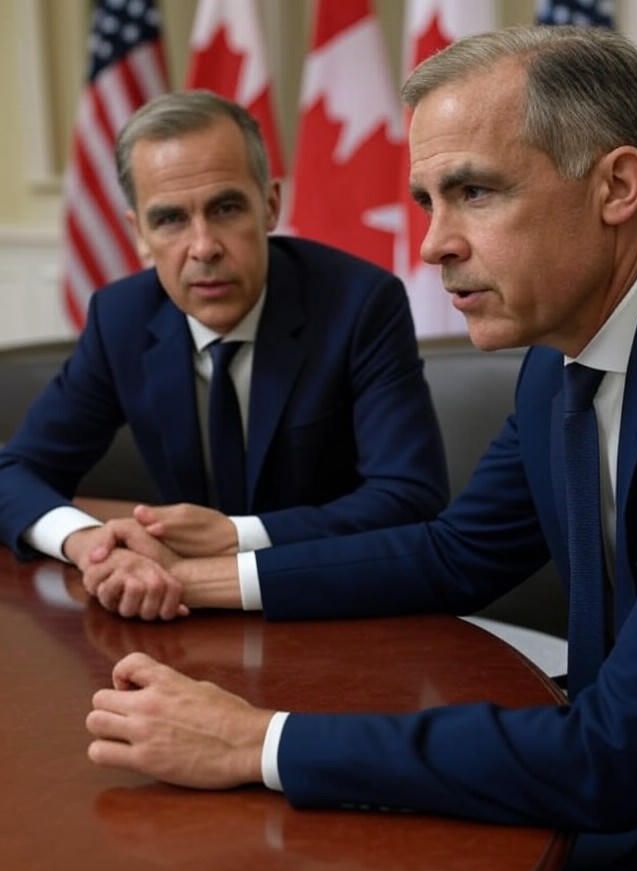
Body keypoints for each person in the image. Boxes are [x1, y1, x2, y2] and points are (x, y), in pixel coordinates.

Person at [86, 27, 637, 871]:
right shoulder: (562, 356)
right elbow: (459, 553)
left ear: (616, 186)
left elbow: (612, 756)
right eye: (424, 200)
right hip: (618, 802)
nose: (431, 245)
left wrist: (255, 742)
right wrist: (210, 574)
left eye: (473, 192)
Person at [0, 91, 448, 609]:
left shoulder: (360, 304)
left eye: (227, 208)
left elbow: (409, 497)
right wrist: (88, 544)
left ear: (270, 206)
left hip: (333, 603)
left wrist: (240, 535)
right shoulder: (120, 317)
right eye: (169, 219)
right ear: (139, 235)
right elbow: (15, 471)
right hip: (178, 612)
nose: (204, 246)